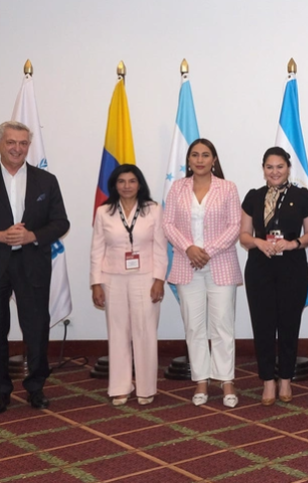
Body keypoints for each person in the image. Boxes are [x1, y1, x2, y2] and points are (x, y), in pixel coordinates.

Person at [0, 121, 70, 413]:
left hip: (32, 263)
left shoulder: (46, 180)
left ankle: (36, 387)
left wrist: (32, 236)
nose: (17, 148)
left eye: (23, 143)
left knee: (36, 329)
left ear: (29, 145)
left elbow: (61, 222)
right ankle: (1, 389)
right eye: (11, 142)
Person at [163, 138, 242, 408]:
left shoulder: (228, 188)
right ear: (188, 161)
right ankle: (201, 380)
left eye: (205, 155)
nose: (199, 160)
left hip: (220, 264)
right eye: (195, 155)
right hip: (187, 265)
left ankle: (226, 380)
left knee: (222, 325)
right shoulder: (177, 188)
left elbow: (235, 226)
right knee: (194, 326)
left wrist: (206, 250)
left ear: (214, 160)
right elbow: (168, 224)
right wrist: (188, 249)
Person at [240, 147, 308, 406]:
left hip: (292, 267)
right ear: (263, 169)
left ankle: (285, 379)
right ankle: (267, 382)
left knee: (288, 324)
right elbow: (244, 235)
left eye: (280, 166)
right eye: (270, 167)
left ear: (288, 168)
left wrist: (292, 244)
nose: (275, 171)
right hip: (260, 268)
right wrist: (259, 243)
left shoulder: (301, 196)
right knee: (262, 325)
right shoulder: (253, 197)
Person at [91, 164, 167, 406]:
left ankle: (146, 387)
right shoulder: (104, 212)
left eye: (131, 181)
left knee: (145, 332)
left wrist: (158, 279)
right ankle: (120, 386)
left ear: (140, 184)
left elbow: (160, 247)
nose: (126, 186)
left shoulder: (153, 210)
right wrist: (96, 284)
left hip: (145, 277)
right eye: (121, 181)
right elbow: (96, 250)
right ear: (114, 185)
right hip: (112, 278)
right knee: (118, 332)